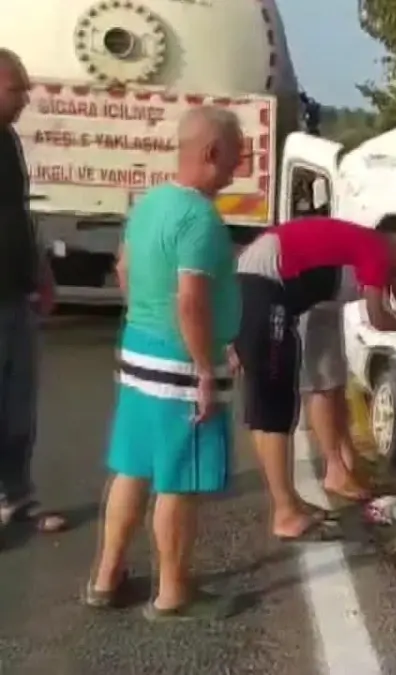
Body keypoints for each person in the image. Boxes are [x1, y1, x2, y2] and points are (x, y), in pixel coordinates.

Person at [85, 106, 245, 620]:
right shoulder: (199, 217)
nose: (235, 171)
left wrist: (141, 320)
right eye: (234, 159)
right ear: (211, 153)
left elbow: (125, 268)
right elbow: (191, 301)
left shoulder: (150, 202)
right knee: (178, 480)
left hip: (140, 352)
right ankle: (173, 593)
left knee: (132, 468)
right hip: (180, 367)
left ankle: (106, 577)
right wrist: (203, 367)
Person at [234, 214, 396, 542]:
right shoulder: (376, 249)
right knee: (273, 407)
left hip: (279, 289)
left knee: (277, 403)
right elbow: (381, 319)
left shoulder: (382, 252)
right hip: (266, 285)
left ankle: (291, 501)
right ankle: (284, 512)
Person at [0, 49, 65, 536]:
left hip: (13, 295)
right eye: (15, 89)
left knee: (20, 405)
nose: (25, 97)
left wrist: (41, 269)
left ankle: (15, 498)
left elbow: (20, 212)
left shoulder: (9, 142)